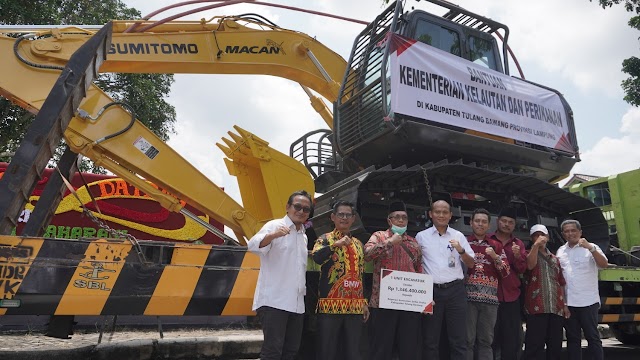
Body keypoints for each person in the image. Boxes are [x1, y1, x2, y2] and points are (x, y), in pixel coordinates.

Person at [247, 190, 312, 360]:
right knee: (272, 352)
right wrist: (273, 235)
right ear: (287, 207)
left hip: (296, 303)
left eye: (306, 209)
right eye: (297, 207)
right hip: (274, 301)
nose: (301, 211)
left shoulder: (303, 235)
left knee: (291, 351)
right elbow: (253, 245)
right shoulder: (275, 225)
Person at [364, 200, 423, 360]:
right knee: (381, 348)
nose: (401, 220)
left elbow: (419, 271)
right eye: (397, 217)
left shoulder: (413, 242)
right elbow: (367, 255)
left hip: (408, 304)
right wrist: (389, 242)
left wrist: (425, 298)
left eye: (404, 217)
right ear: (389, 220)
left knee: (408, 348)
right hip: (383, 303)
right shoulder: (379, 236)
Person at [417, 200, 475, 360]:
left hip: (456, 291)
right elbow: (416, 266)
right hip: (431, 292)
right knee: (430, 340)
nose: (441, 215)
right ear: (431, 214)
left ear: (450, 215)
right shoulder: (421, 237)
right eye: (437, 211)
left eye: (445, 212)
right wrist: (422, 293)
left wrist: (461, 250)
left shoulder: (458, 236)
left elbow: (471, 264)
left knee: (458, 340)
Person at [311, 200, 368, 360]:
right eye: (340, 214)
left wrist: (363, 302)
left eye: (348, 215)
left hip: (355, 307)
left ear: (353, 218)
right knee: (327, 351)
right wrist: (336, 245)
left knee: (354, 352)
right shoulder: (324, 239)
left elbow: (360, 274)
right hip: (331, 307)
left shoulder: (358, 244)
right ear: (333, 217)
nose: (344, 218)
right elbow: (317, 257)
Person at [557, 219, 608, 360]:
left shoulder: (591, 247)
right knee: (573, 339)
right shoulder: (561, 251)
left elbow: (604, 265)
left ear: (580, 232)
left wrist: (590, 248)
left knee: (593, 337)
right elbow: (560, 278)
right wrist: (564, 303)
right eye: (566, 231)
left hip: (588, 302)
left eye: (573, 230)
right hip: (570, 304)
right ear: (562, 234)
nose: (570, 233)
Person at [465, 208, 510, 360]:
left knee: (485, 341)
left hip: (490, 301)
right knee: (467, 341)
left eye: (484, 221)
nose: (480, 224)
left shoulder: (495, 245)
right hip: (467, 299)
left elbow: (506, 272)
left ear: (489, 225)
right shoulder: (464, 242)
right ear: (471, 223)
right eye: (477, 221)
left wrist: (495, 256)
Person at [522, 224, 569, 360]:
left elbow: (560, 282)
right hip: (536, 307)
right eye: (536, 235)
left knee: (555, 346)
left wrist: (564, 305)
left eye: (542, 235)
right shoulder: (527, 253)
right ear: (532, 238)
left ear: (547, 237)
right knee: (534, 345)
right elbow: (530, 266)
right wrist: (536, 246)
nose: (539, 237)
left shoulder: (555, 259)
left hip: (556, 306)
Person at [490, 206, 527, 360]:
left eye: (510, 222)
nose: (506, 224)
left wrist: (518, 256)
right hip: (490, 296)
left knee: (511, 339)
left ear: (514, 225)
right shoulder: (488, 240)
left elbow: (522, 269)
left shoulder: (518, 243)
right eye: (504, 221)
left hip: (511, 296)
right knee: (491, 338)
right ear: (498, 222)